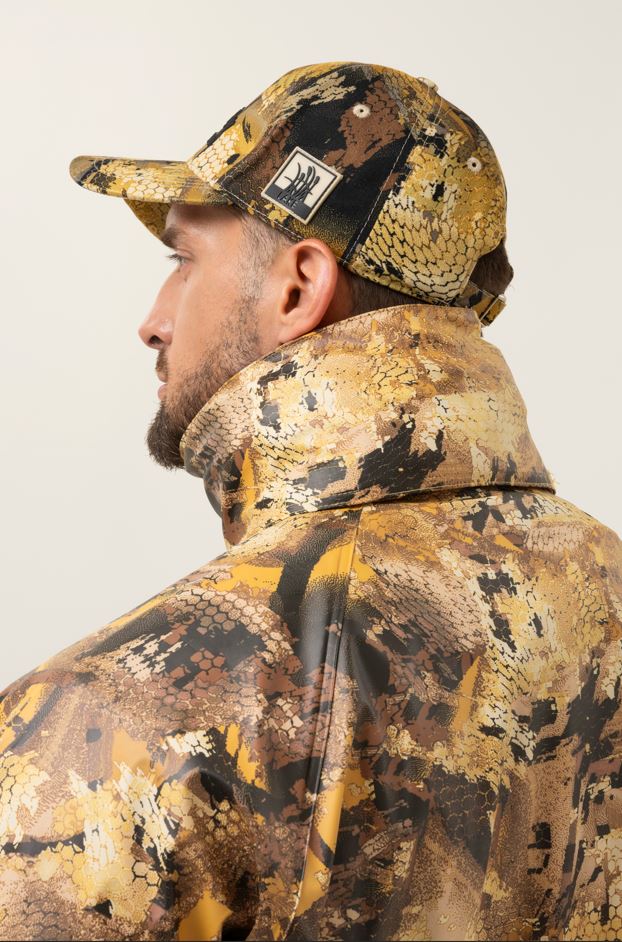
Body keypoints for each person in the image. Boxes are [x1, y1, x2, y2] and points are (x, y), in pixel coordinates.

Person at [0, 60, 620, 942]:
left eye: (183, 259)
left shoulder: (115, 727)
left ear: (298, 287)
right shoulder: (605, 592)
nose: (154, 319)